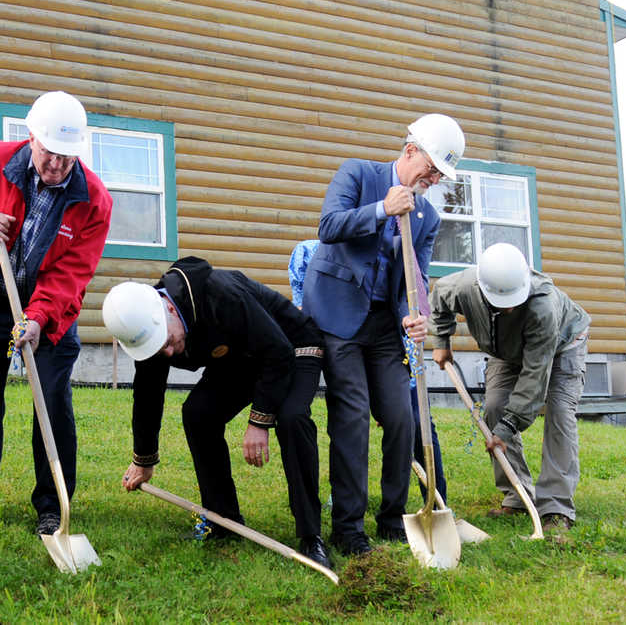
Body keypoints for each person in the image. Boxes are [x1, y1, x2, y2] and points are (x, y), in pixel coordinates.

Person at [302, 114, 464, 555]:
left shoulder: (428, 216)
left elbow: (418, 275)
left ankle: (394, 519)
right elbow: (328, 227)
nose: (431, 179)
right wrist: (382, 210)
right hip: (338, 316)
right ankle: (348, 527)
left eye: (439, 175)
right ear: (410, 151)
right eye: (430, 168)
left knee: (401, 418)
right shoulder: (357, 173)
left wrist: (418, 315)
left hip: (384, 327)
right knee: (352, 419)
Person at [103, 257, 332, 568]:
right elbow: (147, 394)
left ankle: (310, 535)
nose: (168, 353)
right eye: (159, 350)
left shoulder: (220, 294)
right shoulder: (148, 328)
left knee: (291, 418)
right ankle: (222, 519)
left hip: (291, 345)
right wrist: (143, 459)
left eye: (168, 342)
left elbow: (276, 352)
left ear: (169, 310)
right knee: (198, 414)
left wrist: (259, 420)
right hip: (243, 358)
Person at [0, 91, 112, 534]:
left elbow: (73, 272)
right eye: (49, 154)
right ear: (31, 136)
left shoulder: (94, 199)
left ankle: (53, 503)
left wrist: (38, 317)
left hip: (50, 312)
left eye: (66, 158)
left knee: (51, 401)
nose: (56, 166)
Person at [429, 243, 590, 534]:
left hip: (563, 346)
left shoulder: (543, 307)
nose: (512, 306)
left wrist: (507, 429)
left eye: (516, 299)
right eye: (504, 303)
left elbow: (534, 377)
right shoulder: (464, 286)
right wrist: (441, 342)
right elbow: (439, 297)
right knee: (493, 408)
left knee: (559, 416)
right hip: (506, 351)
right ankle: (518, 494)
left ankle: (556, 506)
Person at [289, 240, 447, 503]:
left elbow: (415, 297)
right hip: (342, 347)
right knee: (349, 422)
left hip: (392, 347)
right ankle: (344, 495)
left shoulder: (395, 248)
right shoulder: (307, 252)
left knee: (415, 421)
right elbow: (304, 308)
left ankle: (436, 499)